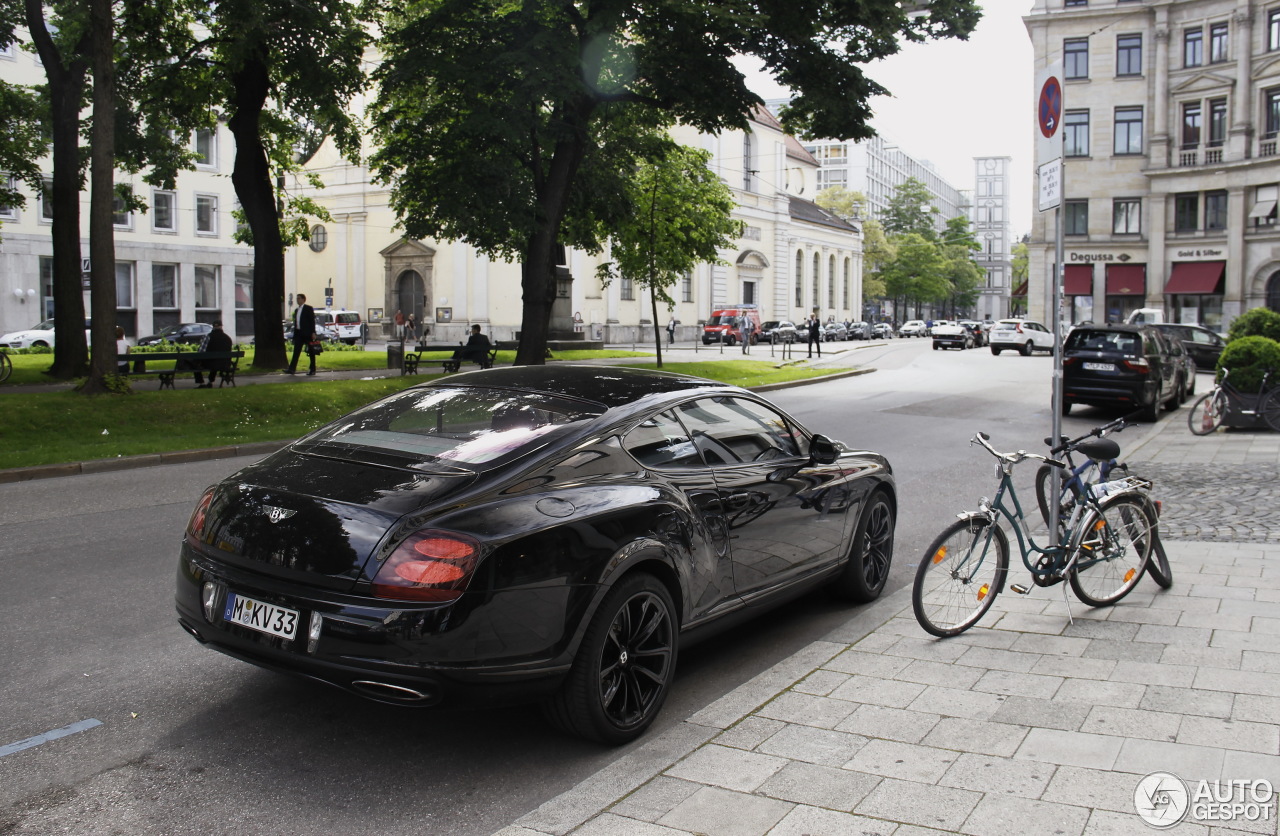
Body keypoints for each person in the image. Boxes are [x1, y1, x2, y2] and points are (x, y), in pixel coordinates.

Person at [192, 321, 233, 388]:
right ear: (221, 326)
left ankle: (201, 383)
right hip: (225, 364)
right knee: (216, 362)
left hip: (210, 363)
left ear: (213, 327)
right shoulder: (227, 338)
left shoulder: (208, 337)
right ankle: (210, 381)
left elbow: (201, 352)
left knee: (195, 363)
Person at [286, 293, 317, 375]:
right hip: (299, 333)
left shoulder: (308, 308)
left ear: (303, 299)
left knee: (311, 352)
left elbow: (312, 321)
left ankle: (312, 369)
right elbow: (296, 322)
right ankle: (291, 369)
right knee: (296, 351)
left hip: (307, 333)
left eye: (299, 298)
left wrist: (313, 332)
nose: (297, 300)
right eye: (297, 298)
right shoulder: (297, 310)